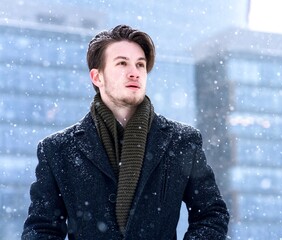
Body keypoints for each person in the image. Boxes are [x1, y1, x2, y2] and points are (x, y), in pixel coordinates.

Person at [22, 24, 229, 240]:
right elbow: (41, 228)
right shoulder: (58, 149)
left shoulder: (182, 141)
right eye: (122, 63)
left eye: (140, 65)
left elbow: (211, 214)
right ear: (97, 77)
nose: (134, 73)